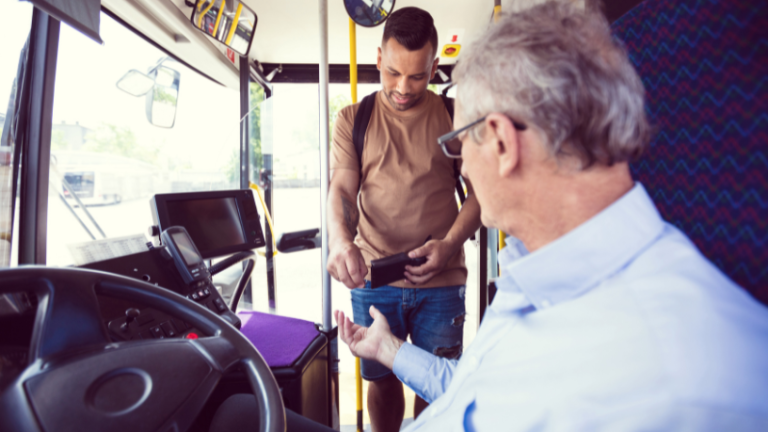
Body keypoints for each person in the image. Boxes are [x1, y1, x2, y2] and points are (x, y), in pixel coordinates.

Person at [334, 2, 768, 431]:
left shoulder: (681, 380)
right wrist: (389, 350)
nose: (462, 166)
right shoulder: (529, 274)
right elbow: (476, 394)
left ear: (502, 143)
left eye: (459, 143)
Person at [326, 6, 481, 431]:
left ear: (434, 66)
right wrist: (341, 242)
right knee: (383, 381)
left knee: (434, 385)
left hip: (442, 282)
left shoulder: (455, 116)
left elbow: (481, 195)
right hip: (374, 277)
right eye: (393, 73)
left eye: (417, 76)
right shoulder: (352, 120)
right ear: (379, 60)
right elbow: (341, 190)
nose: (403, 87)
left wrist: (449, 245)